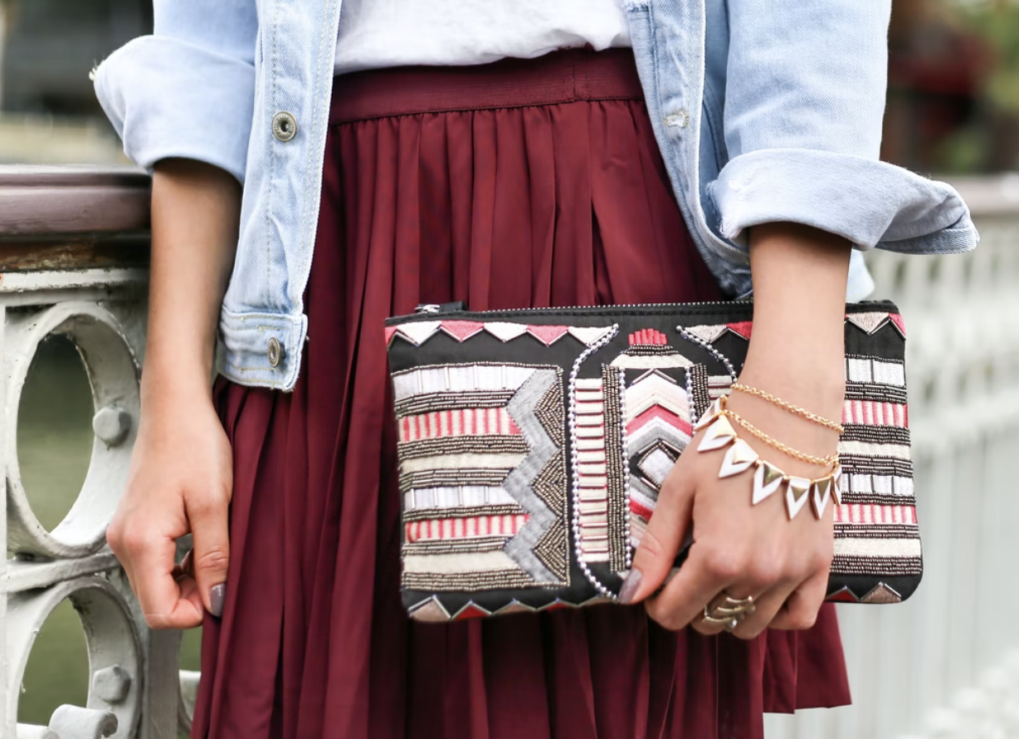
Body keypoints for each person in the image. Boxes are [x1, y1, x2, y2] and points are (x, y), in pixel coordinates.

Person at [93, 2, 976, 737]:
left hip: (611, 229)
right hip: (323, 271)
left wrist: (790, 406)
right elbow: (211, 47)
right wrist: (173, 387)